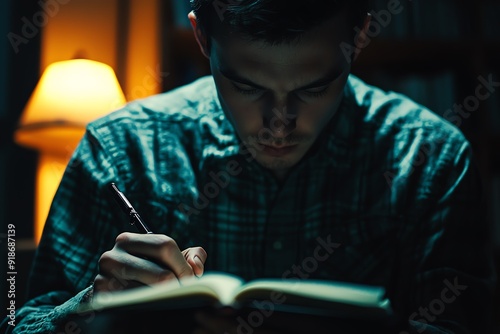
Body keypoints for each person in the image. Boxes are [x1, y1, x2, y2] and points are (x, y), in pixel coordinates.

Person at [2, 0, 497, 333]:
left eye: (313, 88)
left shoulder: (431, 158)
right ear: (200, 37)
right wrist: (90, 307)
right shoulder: (119, 151)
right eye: (246, 87)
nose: (278, 125)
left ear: (362, 34)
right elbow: (25, 323)